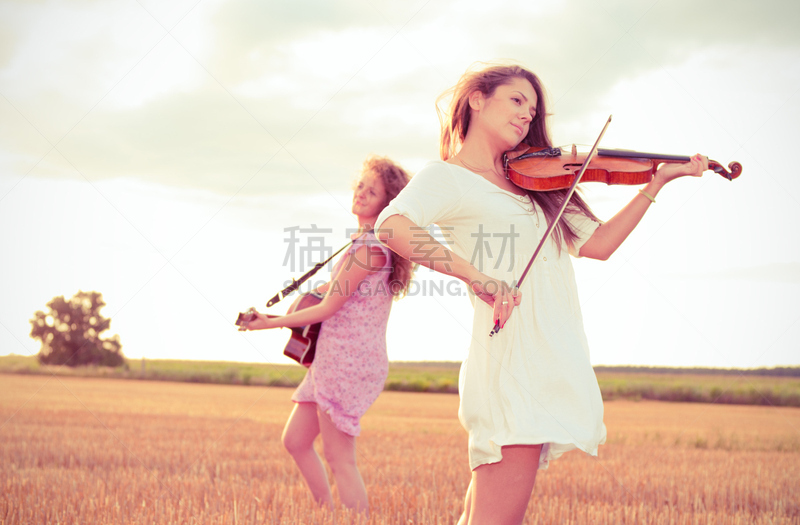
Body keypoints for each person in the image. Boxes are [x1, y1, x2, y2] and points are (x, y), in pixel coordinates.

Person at [374, 63, 709, 525]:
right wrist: (477, 277)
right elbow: (391, 225)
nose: (526, 116)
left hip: (550, 352)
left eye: (532, 111)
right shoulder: (447, 176)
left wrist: (655, 183)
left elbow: (599, 244)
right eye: (516, 101)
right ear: (476, 98)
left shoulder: (537, 181)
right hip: (512, 362)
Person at [240, 155, 414, 513]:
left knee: (340, 460)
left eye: (373, 191)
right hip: (335, 357)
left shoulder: (369, 249)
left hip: (348, 362)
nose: (362, 194)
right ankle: (327, 514)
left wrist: (267, 324)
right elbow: (330, 298)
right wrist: (273, 314)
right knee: (296, 440)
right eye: (361, 186)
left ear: (388, 203)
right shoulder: (363, 245)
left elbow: (326, 308)